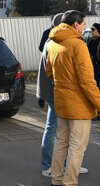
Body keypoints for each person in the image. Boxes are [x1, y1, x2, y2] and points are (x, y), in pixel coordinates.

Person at [45, 10, 100, 186]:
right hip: (78, 104)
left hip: (61, 100)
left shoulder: (54, 43)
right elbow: (87, 80)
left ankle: (56, 182)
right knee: (77, 147)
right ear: (75, 25)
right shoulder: (78, 45)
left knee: (61, 142)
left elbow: (49, 72)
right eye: (83, 24)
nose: (85, 27)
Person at [38, 13, 88, 177]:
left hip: (60, 93)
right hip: (56, 93)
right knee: (53, 130)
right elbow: (50, 72)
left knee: (64, 133)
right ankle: (48, 166)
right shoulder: (53, 43)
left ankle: (70, 163)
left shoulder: (56, 41)